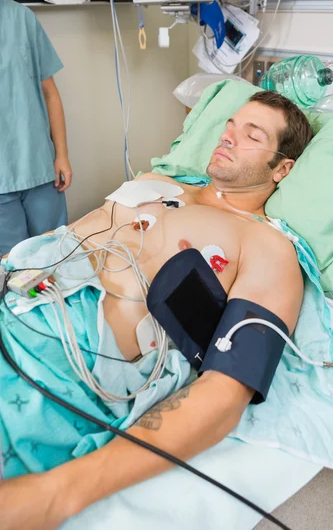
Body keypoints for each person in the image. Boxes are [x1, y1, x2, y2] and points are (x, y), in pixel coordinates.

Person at [0, 91, 313, 530]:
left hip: (60, 368)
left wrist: (59, 493)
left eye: (251, 134)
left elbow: (226, 393)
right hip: (17, 295)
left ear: (282, 168)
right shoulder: (152, 182)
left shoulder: (267, 247)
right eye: (230, 124)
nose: (228, 135)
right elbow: (66, 235)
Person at [0, 0, 72, 257]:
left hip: (40, 168)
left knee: (57, 257)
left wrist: (61, 154)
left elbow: (50, 93)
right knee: (13, 271)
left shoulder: (21, 17)